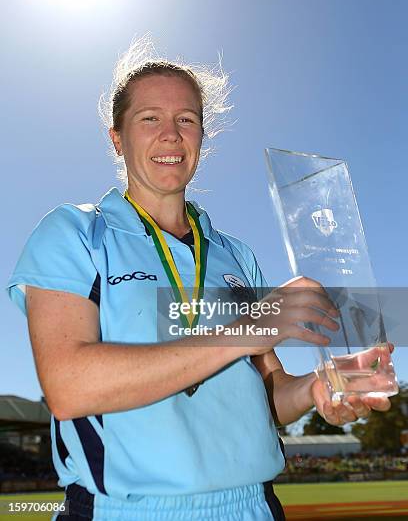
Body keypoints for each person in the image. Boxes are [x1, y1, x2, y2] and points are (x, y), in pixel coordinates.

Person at [7, 38, 391, 521]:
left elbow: (266, 396)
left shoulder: (235, 255)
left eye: (186, 120)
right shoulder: (75, 234)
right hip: (126, 511)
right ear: (117, 138)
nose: (170, 134)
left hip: (253, 507)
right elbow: (68, 386)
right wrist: (250, 327)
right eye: (149, 119)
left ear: (202, 137)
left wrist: (318, 389)